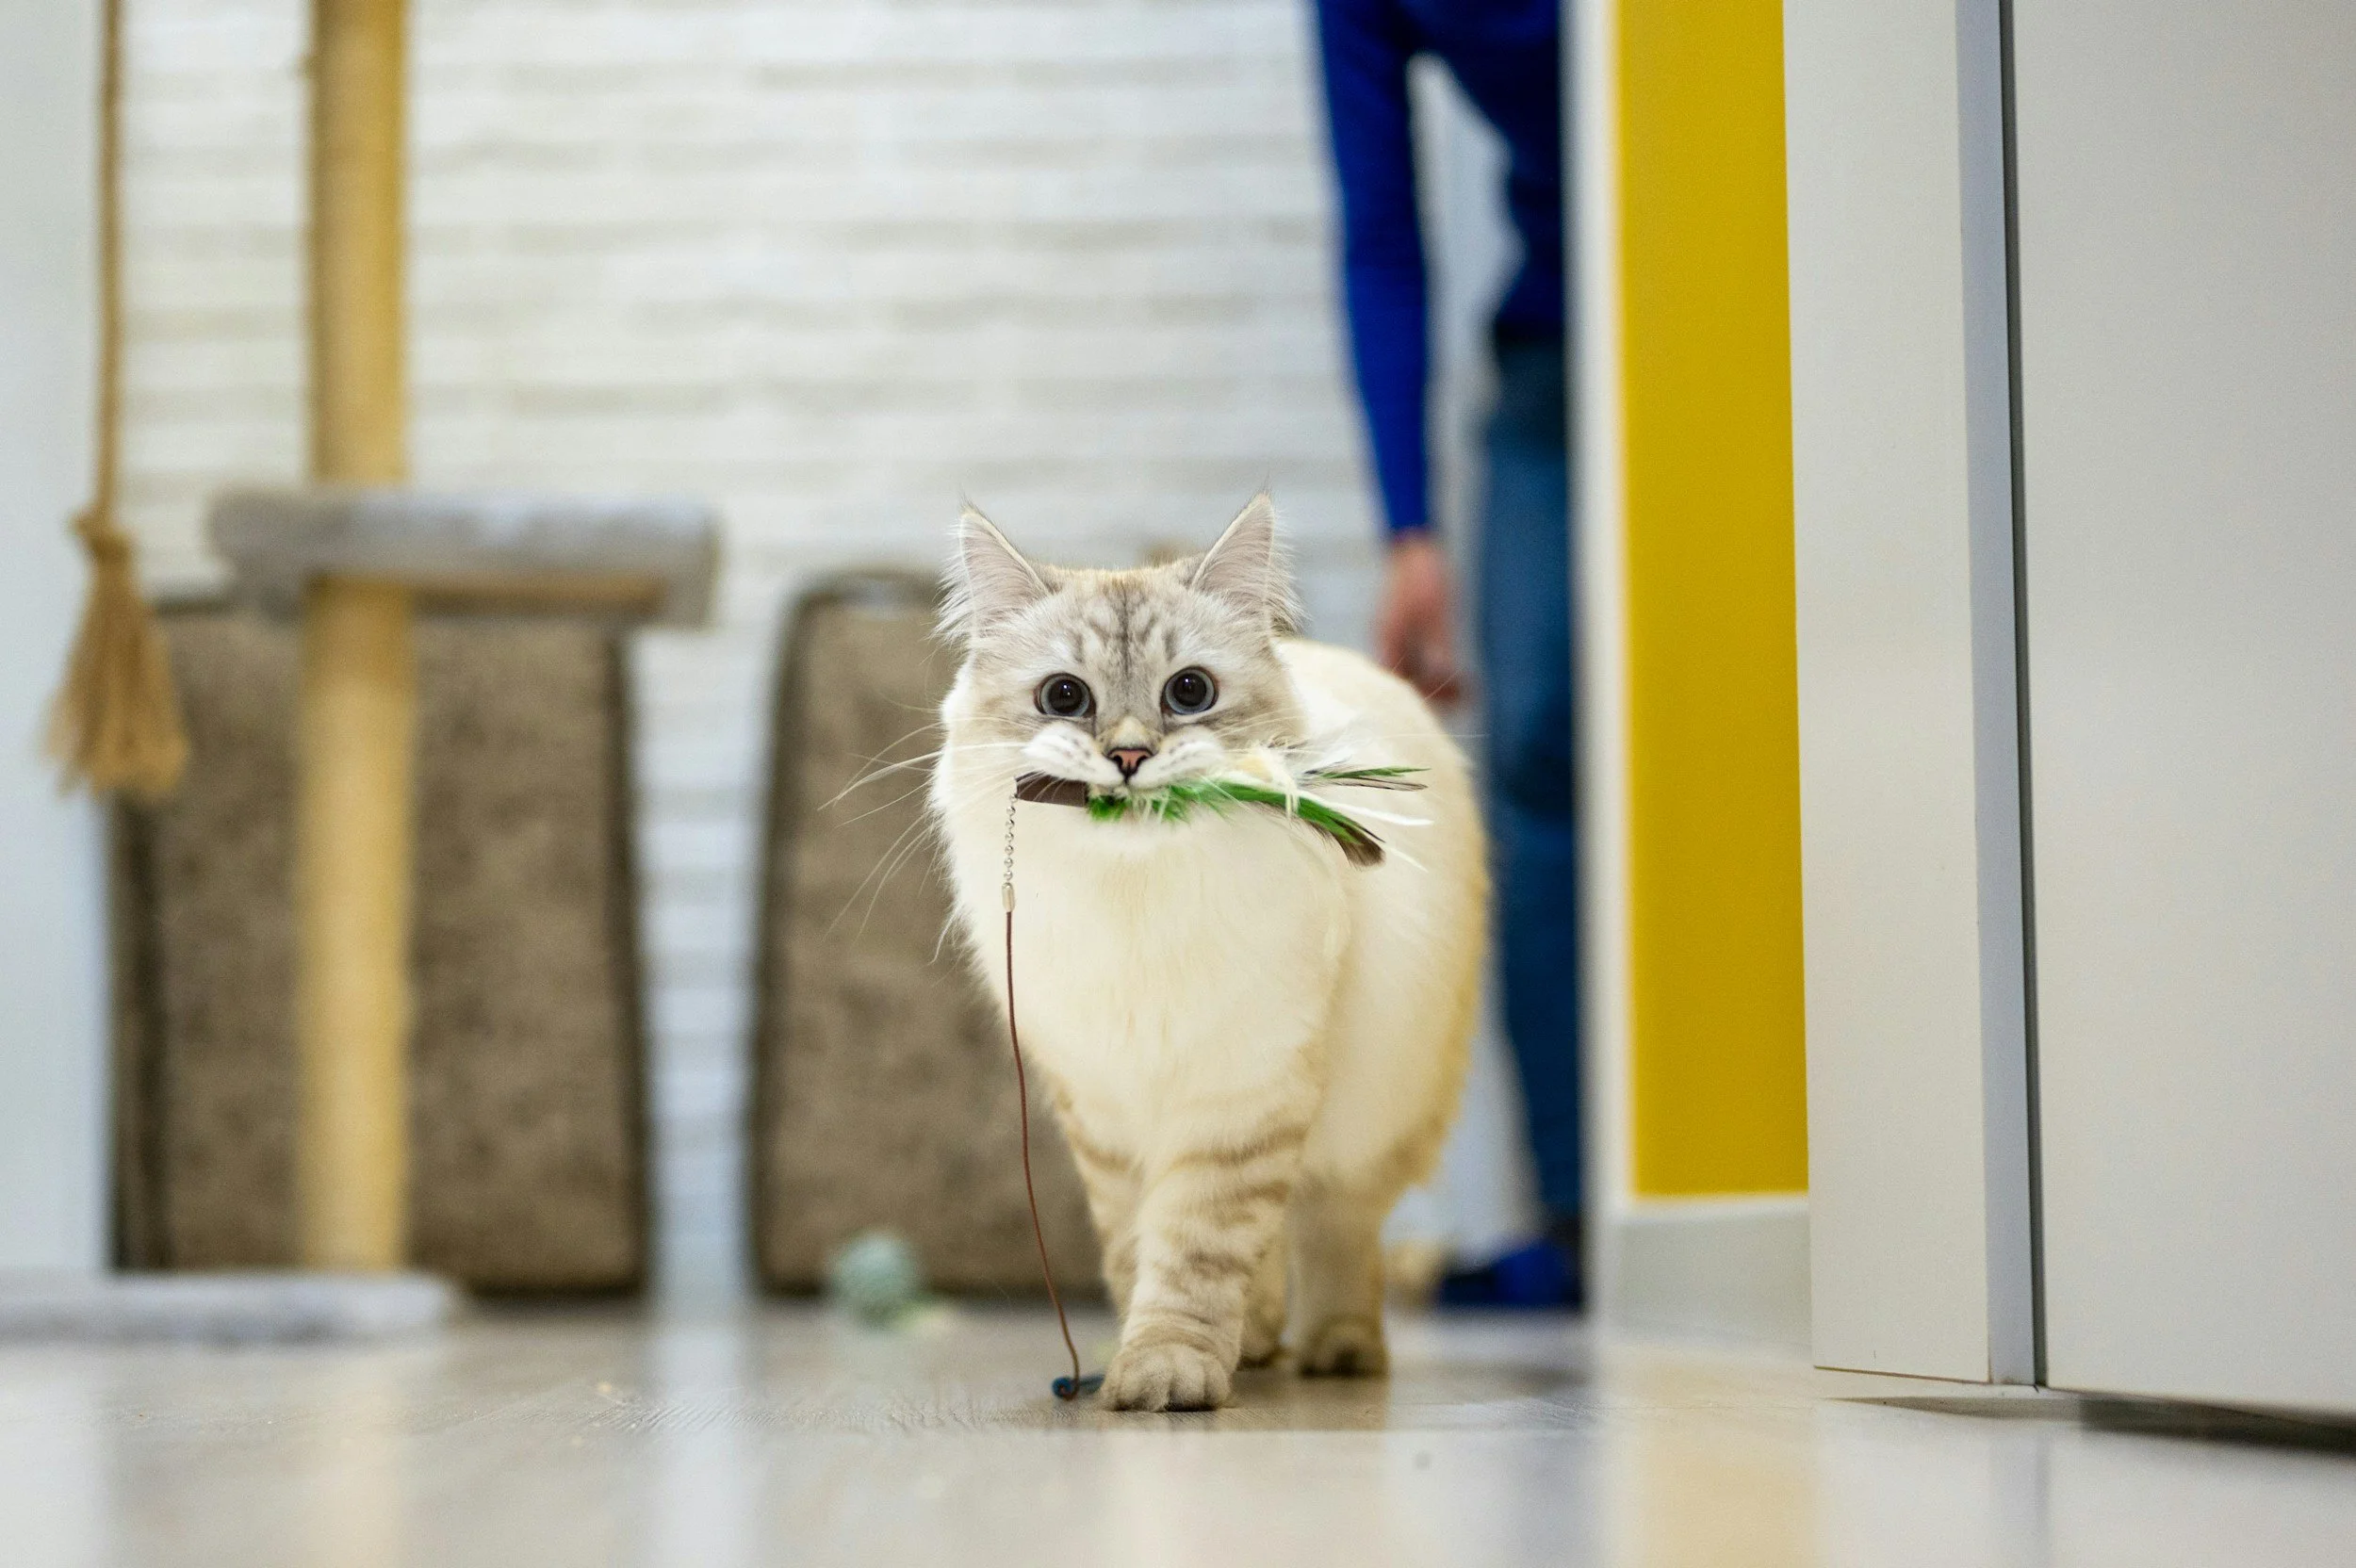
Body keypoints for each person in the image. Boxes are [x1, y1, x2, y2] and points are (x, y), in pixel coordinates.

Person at [1310, 0, 1580, 1304]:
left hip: (1740, 278)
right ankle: (1584, 1219)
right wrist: (1408, 523)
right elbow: (1381, 236)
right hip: (1554, 351)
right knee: (1532, 752)